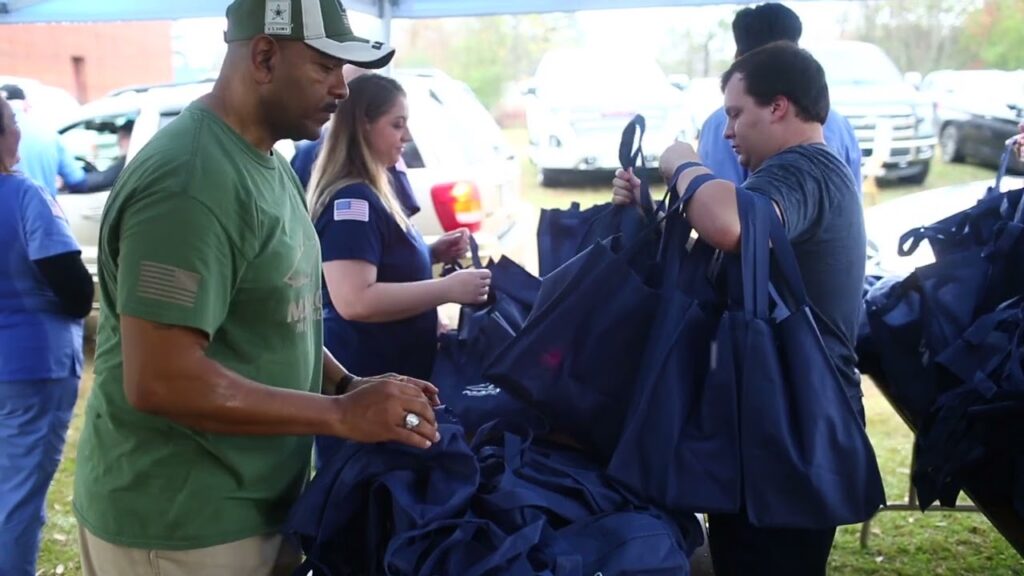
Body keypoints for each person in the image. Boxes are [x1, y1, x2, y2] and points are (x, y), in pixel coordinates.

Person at [72, 1, 443, 575]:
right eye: (325, 67)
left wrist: (349, 381)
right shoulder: (190, 181)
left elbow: (276, 312)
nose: (342, 89)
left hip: (258, 506)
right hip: (182, 525)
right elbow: (162, 379)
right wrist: (340, 414)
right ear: (265, 56)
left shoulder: (268, 162)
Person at [612, 42, 865, 576]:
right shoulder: (796, 172)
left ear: (778, 106)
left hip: (794, 430)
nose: (728, 132)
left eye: (735, 113)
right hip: (778, 425)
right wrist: (646, 207)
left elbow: (732, 226)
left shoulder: (806, 169)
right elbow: (720, 253)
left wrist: (683, 162)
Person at [306, 74, 490, 460]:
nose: (405, 137)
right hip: (365, 383)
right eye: (397, 124)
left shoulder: (376, 188)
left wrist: (433, 252)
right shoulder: (352, 200)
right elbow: (355, 299)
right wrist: (447, 289)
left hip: (396, 380)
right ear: (363, 125)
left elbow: (378, 258)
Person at [0, 93, 94, 576]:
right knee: (16, 502)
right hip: (31, 368)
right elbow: (76, 292)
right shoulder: (24, 196)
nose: (21, 131)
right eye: (14, 121)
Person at [696, 3, 862, 191]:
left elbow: (719, 212)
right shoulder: (839, 124)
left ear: (739, 60)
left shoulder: (721, 124)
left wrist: (684, 168)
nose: (729, 131)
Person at [0, 83, 88, 196]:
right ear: (26, 104)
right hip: (44, 207)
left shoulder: (8, 134)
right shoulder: (48, 133)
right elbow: (77, 180)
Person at [82, 120, 133, 192]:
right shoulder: (126, 160)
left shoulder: (129, 161)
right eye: (119, 137)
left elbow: (104, 179)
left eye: (124, 137)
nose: (119, 142)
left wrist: (72, 178)